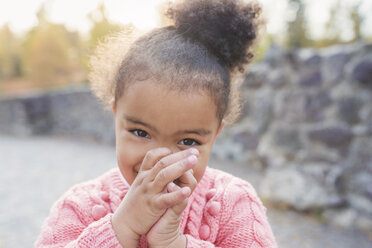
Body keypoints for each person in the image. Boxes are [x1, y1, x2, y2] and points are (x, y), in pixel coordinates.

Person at [35, 0, 277, 247]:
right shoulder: (79, 206)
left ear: (215, 135)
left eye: (188, 141)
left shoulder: (234, 202)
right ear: (116, 115)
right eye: (140, 132)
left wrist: (174, 243)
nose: (160, 159)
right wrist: (121, 228)